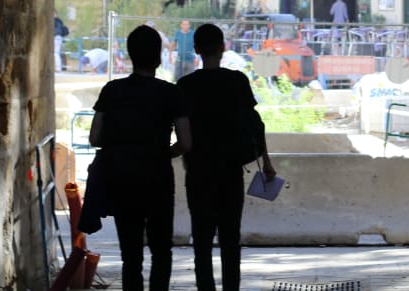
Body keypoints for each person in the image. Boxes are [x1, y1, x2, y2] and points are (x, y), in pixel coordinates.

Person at [88, 25, 192, 291]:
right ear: (158, 57)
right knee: (161, 251)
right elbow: (186, 142)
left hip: (122, 177)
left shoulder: (112, 90)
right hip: (157, 176)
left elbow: (95, 138)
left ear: (130, 55)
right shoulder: (171, 93)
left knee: (130, 255)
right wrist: (163, 153)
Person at [177, 23, 276, 291]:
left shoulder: (185, 86)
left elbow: (181, 135)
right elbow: (256, 124)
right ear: (223, 47)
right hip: (230, 172)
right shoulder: (237, 82)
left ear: (196, 49)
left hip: (197, 173)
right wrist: (266, 162)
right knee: (231, 239)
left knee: (202, 242)